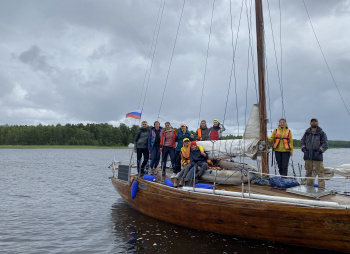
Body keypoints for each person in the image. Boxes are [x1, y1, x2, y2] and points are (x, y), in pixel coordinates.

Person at [300, 118, 328, 189]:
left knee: (320, 173)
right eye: (312, 122)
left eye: (315, 121)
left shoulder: (321, 133)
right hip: (308, 157)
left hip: (317, 157)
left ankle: (321, 189)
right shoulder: (307, 133)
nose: (313, 123)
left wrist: (319, 152)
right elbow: (302, 142)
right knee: (308, 173)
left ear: (317, 123)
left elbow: (325, 144)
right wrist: (304, 150)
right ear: (310, 123)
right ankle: (309, 188)